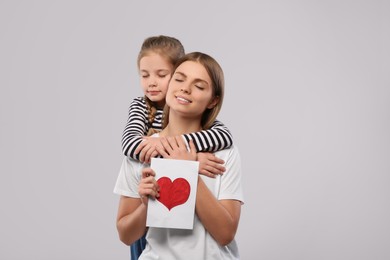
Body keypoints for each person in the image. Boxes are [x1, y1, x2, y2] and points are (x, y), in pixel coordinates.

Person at [114, 52, 244, 259]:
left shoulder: (223, 153)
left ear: (213, 101)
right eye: (179, 79)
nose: (185, 88)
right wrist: (146, 206)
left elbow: (225, 233)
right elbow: (126, 235)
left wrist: (188, 171)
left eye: (199, 86)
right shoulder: (143, 149)